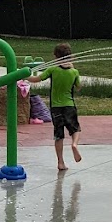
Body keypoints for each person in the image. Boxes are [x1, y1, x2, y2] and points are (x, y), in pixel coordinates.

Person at [35, 43, 82, 171]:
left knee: (59, 135)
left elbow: (37, 79)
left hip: (56, 107)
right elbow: (78, 87)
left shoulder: (52, 70)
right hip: (69, 105)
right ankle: (74, 144)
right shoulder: (74, 72)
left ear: (56, 56)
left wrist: (22, 76)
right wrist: (74, 72)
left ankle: (60, 162)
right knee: (75, 129)